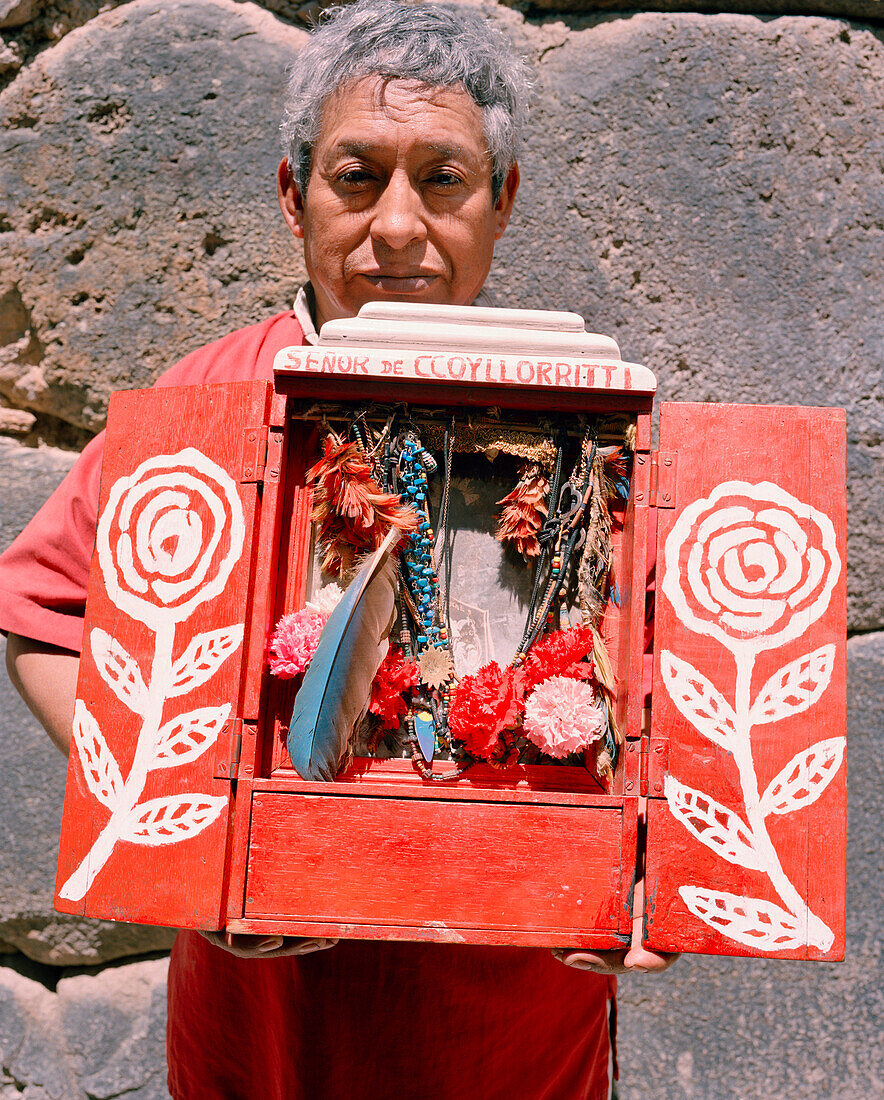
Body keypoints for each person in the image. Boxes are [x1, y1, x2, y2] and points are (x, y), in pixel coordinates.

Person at [1, 2, 675, 1096]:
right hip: (266, 1028)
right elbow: (43, 618)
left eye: (444, 180)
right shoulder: (207, 402)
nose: (397, 226)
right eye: (356, 176)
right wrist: (180, 837)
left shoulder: (592, 416)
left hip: (517, 1024)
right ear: (292, 194)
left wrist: (649, 873)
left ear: (500, 201)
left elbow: (671, 687)